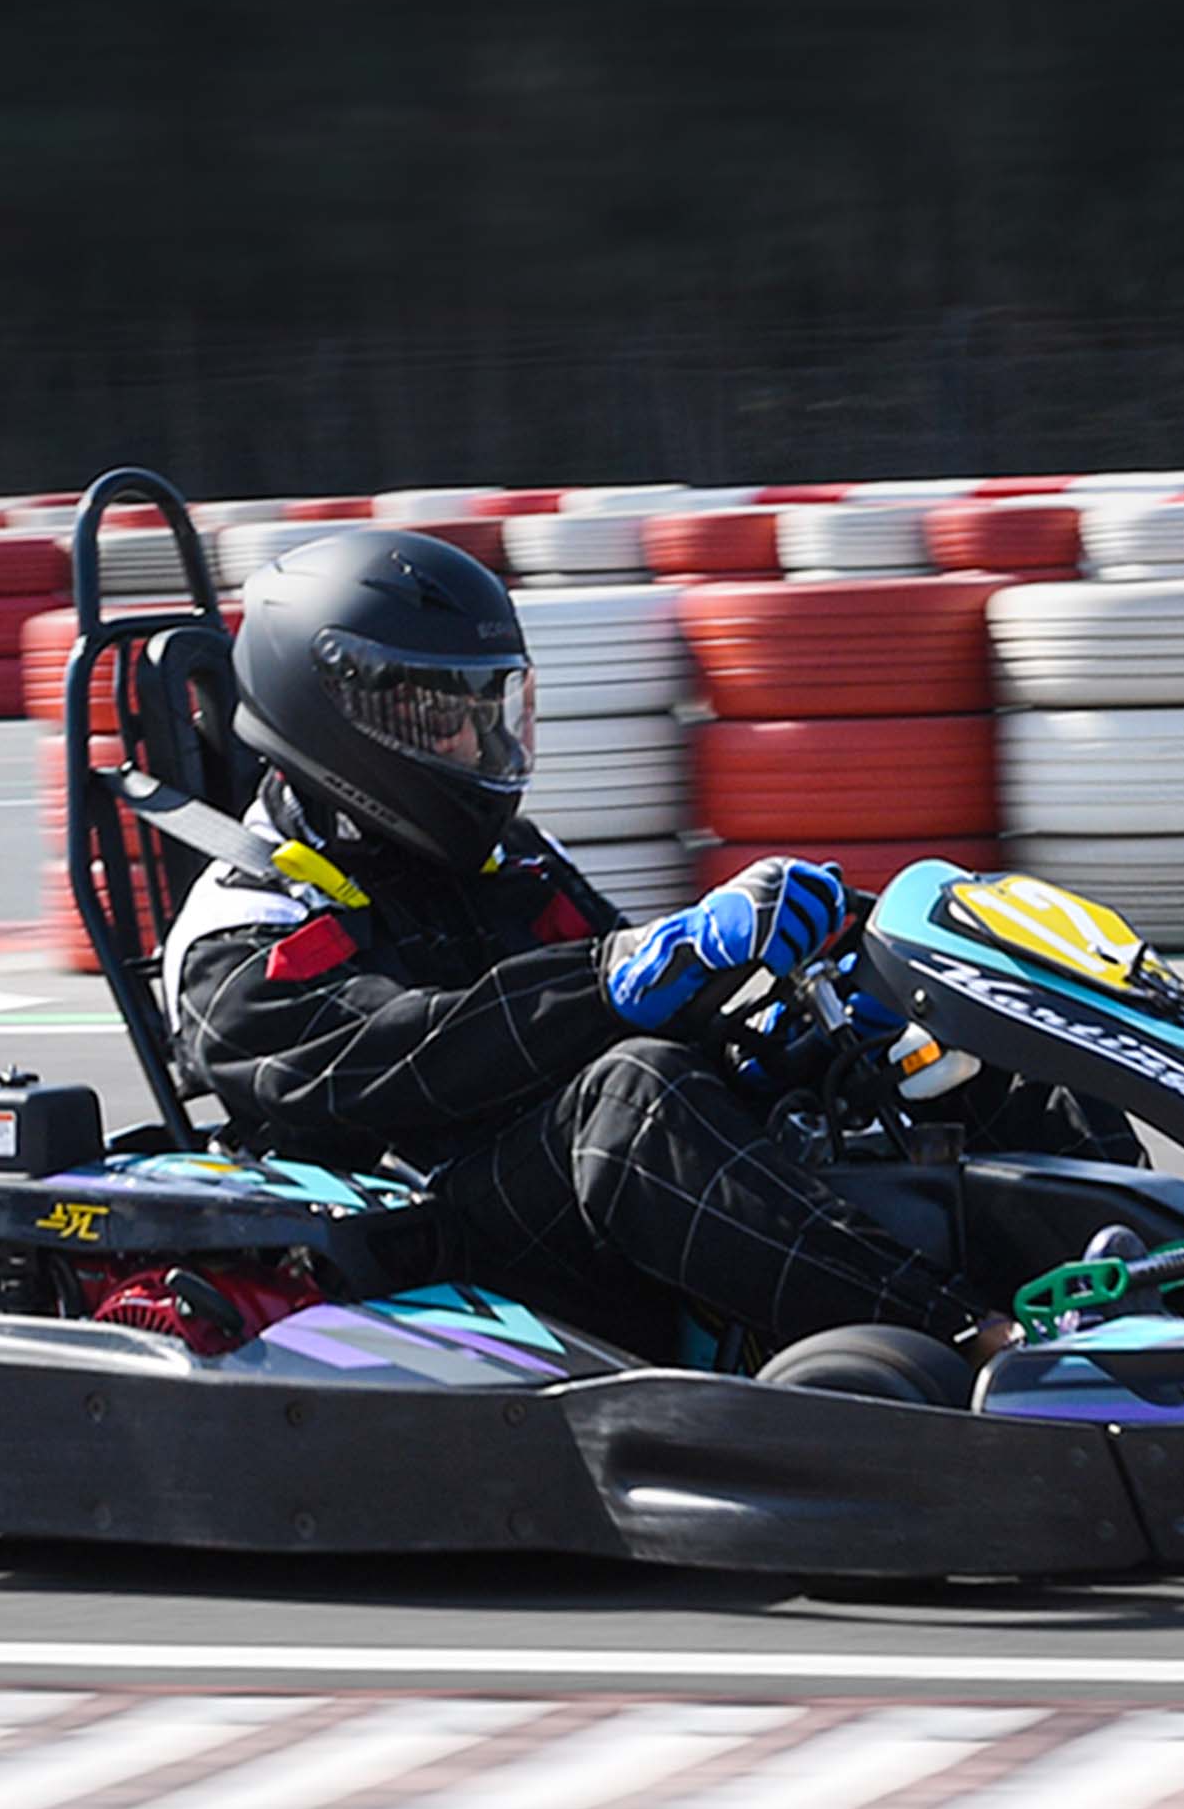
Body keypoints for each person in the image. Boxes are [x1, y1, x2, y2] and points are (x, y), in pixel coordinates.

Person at [160, 525, 1016, 1372]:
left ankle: (1109, 1280)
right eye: (438, 714)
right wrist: (611, 980)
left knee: (930, 1027)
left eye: (487, 707)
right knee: (635, 1094)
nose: (475, 744)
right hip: (415, 1240)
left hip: (571, 1212)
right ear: (335, 716)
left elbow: (648, 994)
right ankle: (974, 1345)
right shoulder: (243, 920)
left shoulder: (514, 864)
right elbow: (401, 1053)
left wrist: (780, 1010)